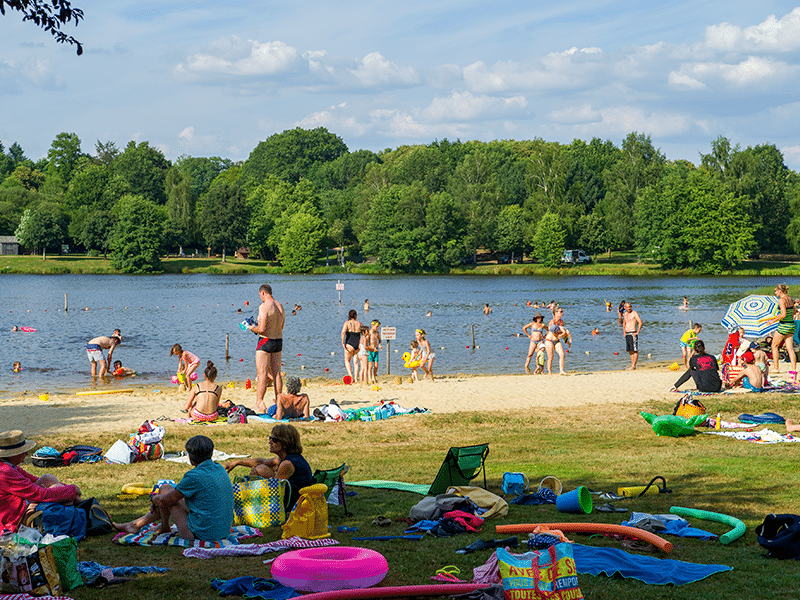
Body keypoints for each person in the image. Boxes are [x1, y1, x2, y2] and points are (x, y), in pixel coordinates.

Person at [113, 436, 233, 541]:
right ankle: (136, 524)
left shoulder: (194, 476)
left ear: (190, 457)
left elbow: (165, 501)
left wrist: (154, 499)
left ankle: (161, 527)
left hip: (201, 534)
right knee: (166, 489)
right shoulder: (219, 468)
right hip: (222, 531)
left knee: (165, 494)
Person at [0, 430, 82, 533]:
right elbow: (39, 494)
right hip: (12, 519)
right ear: (12, 455)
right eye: (22, 451)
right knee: (65, 498)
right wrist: (72, 490)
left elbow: (33, 480)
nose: (26, 454)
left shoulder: (9, 466)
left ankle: (75, 511)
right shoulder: (5, 472)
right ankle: (77, 513)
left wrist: (68, 490)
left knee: (48, 478)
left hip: (18, 507)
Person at [224, 424, 313, 511]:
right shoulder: (288, 458)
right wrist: (237, 462)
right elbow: (260, 462)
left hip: (291, 506)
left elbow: (274, 492)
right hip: (291, 498)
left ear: (285, 443)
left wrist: (255, 482)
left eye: (274, 440)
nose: (270, 442)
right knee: (261, 468)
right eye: (270, 438)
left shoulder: (287, 464)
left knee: (257, 473)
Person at [248, 284, 286, 414]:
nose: (260, 298)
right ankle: (279, 400)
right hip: (278, 340)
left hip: (265, 340)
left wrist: (252, 328)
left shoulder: (264, 306)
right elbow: (282, 326)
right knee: (276, 373)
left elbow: (262, 328)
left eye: (260, 295)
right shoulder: (280, 305)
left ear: (262, 293)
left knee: (262, 373)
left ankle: (259, 404)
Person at [767, 284, 797, 374]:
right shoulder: (790, 299)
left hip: (783, 325)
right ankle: (794, 369)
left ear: (780, 291)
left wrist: (773, 321)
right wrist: (781, 316)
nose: (775, 293)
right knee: (790, 349)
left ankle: (776, 368)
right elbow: (794, 312)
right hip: (791, 325)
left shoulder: (781, 300)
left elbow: (783, 314)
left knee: (774, 346)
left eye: (775, 291)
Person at [545, 307, 569, 375]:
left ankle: (561, 370)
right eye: (560, 311)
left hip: (557, 341)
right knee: (551, 357)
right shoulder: (552, 322)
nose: (562, 313)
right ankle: (549, 372)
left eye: (562, 311)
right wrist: (563, 333)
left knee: (562, 354)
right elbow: (554, 333)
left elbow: (562, 334)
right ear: (555, 313)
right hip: (549, 340)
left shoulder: (561, 322)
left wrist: (567, 341)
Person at [340, 310, 362, 383]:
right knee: (356, 363)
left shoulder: (347, 323)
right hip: (357, 344)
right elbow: (365, 333)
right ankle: (356, 378)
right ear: (356, 315)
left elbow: (343, 332)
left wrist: (343, 342)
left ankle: (351, 376)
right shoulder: (359, 323)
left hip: (349, 343)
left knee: (347, 361)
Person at [622, 302, 643, 370]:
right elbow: (624, 323)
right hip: (627, 334)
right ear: (625, 308)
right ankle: (632, 365)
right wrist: (624, 332)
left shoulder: (634, 313)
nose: (629, 308)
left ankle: (633, 365)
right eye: (627, 307)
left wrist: (637, 332)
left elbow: (640, 322)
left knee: (634, 350)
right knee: (630, 350)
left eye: (630, 307)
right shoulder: (625, 314)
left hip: (633, 333)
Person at [367, 320, 383, 384]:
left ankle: (374, 377)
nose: (377, 328)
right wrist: (370, 348)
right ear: (372, 326)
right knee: (370, 366)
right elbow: (367, 342)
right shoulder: (369, 333)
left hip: (376, 350)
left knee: (376, 366)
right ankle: (370, 378)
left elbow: (379, 340)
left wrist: (380, 345)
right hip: (370, 350)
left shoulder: (377, 333)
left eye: (378, 326)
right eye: (376, 326)